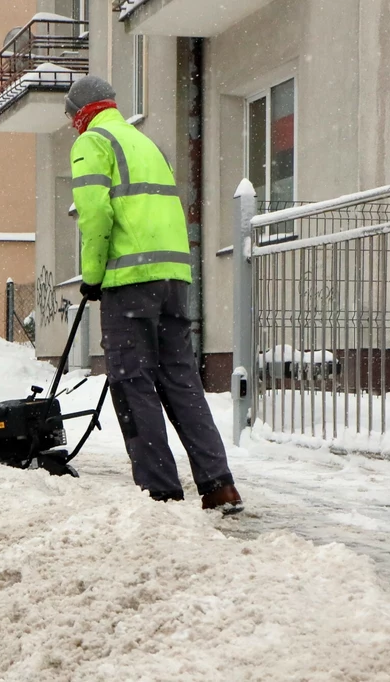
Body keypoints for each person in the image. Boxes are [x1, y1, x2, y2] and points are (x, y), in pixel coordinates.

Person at [65, 75, 243, 514]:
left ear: (79, 114)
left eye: (71, 118)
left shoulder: (93, 143)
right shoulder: (145, 144)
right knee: (181, 380)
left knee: (132, 382)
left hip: (129, 281)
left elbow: (95, 214)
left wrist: (92, 275)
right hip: (173, 279)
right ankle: (219, 485)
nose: (72, 127)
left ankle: (159, 494)